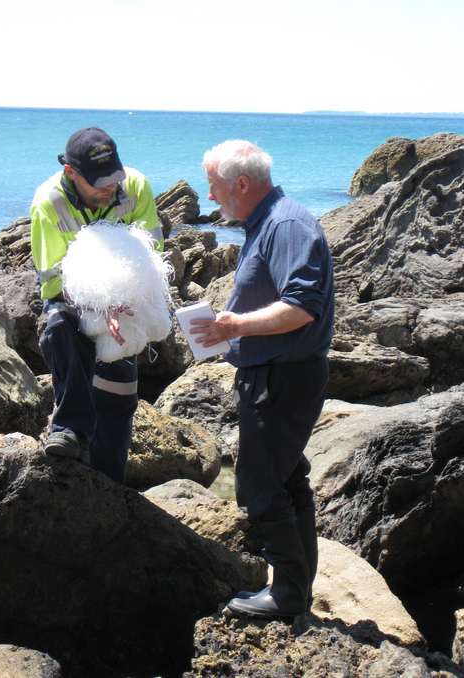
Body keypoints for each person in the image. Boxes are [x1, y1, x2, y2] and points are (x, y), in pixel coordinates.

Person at [191, 140, 334, 620]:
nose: (209, 197)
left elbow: (300, 308)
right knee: (287, 478)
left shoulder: (286, 224)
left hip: (283, 374)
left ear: (242, 184)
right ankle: (295, 590)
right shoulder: (266, 221)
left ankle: (289, 594)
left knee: (258, 485)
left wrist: (234, 326)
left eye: (214, 187)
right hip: (275, 370)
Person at [31, 127, 163, 485]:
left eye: (113, 177)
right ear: (71, 173)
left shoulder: (135, 186)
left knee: (118, 392)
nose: (109, 187)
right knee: (61, 329)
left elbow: (153, 254)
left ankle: (110, 485)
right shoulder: (49, 202)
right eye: (98, 181)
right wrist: (101, 304)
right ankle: (70, 428)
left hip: (130, 295)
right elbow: (53, 282)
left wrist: (123, 300)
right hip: (73, 297)